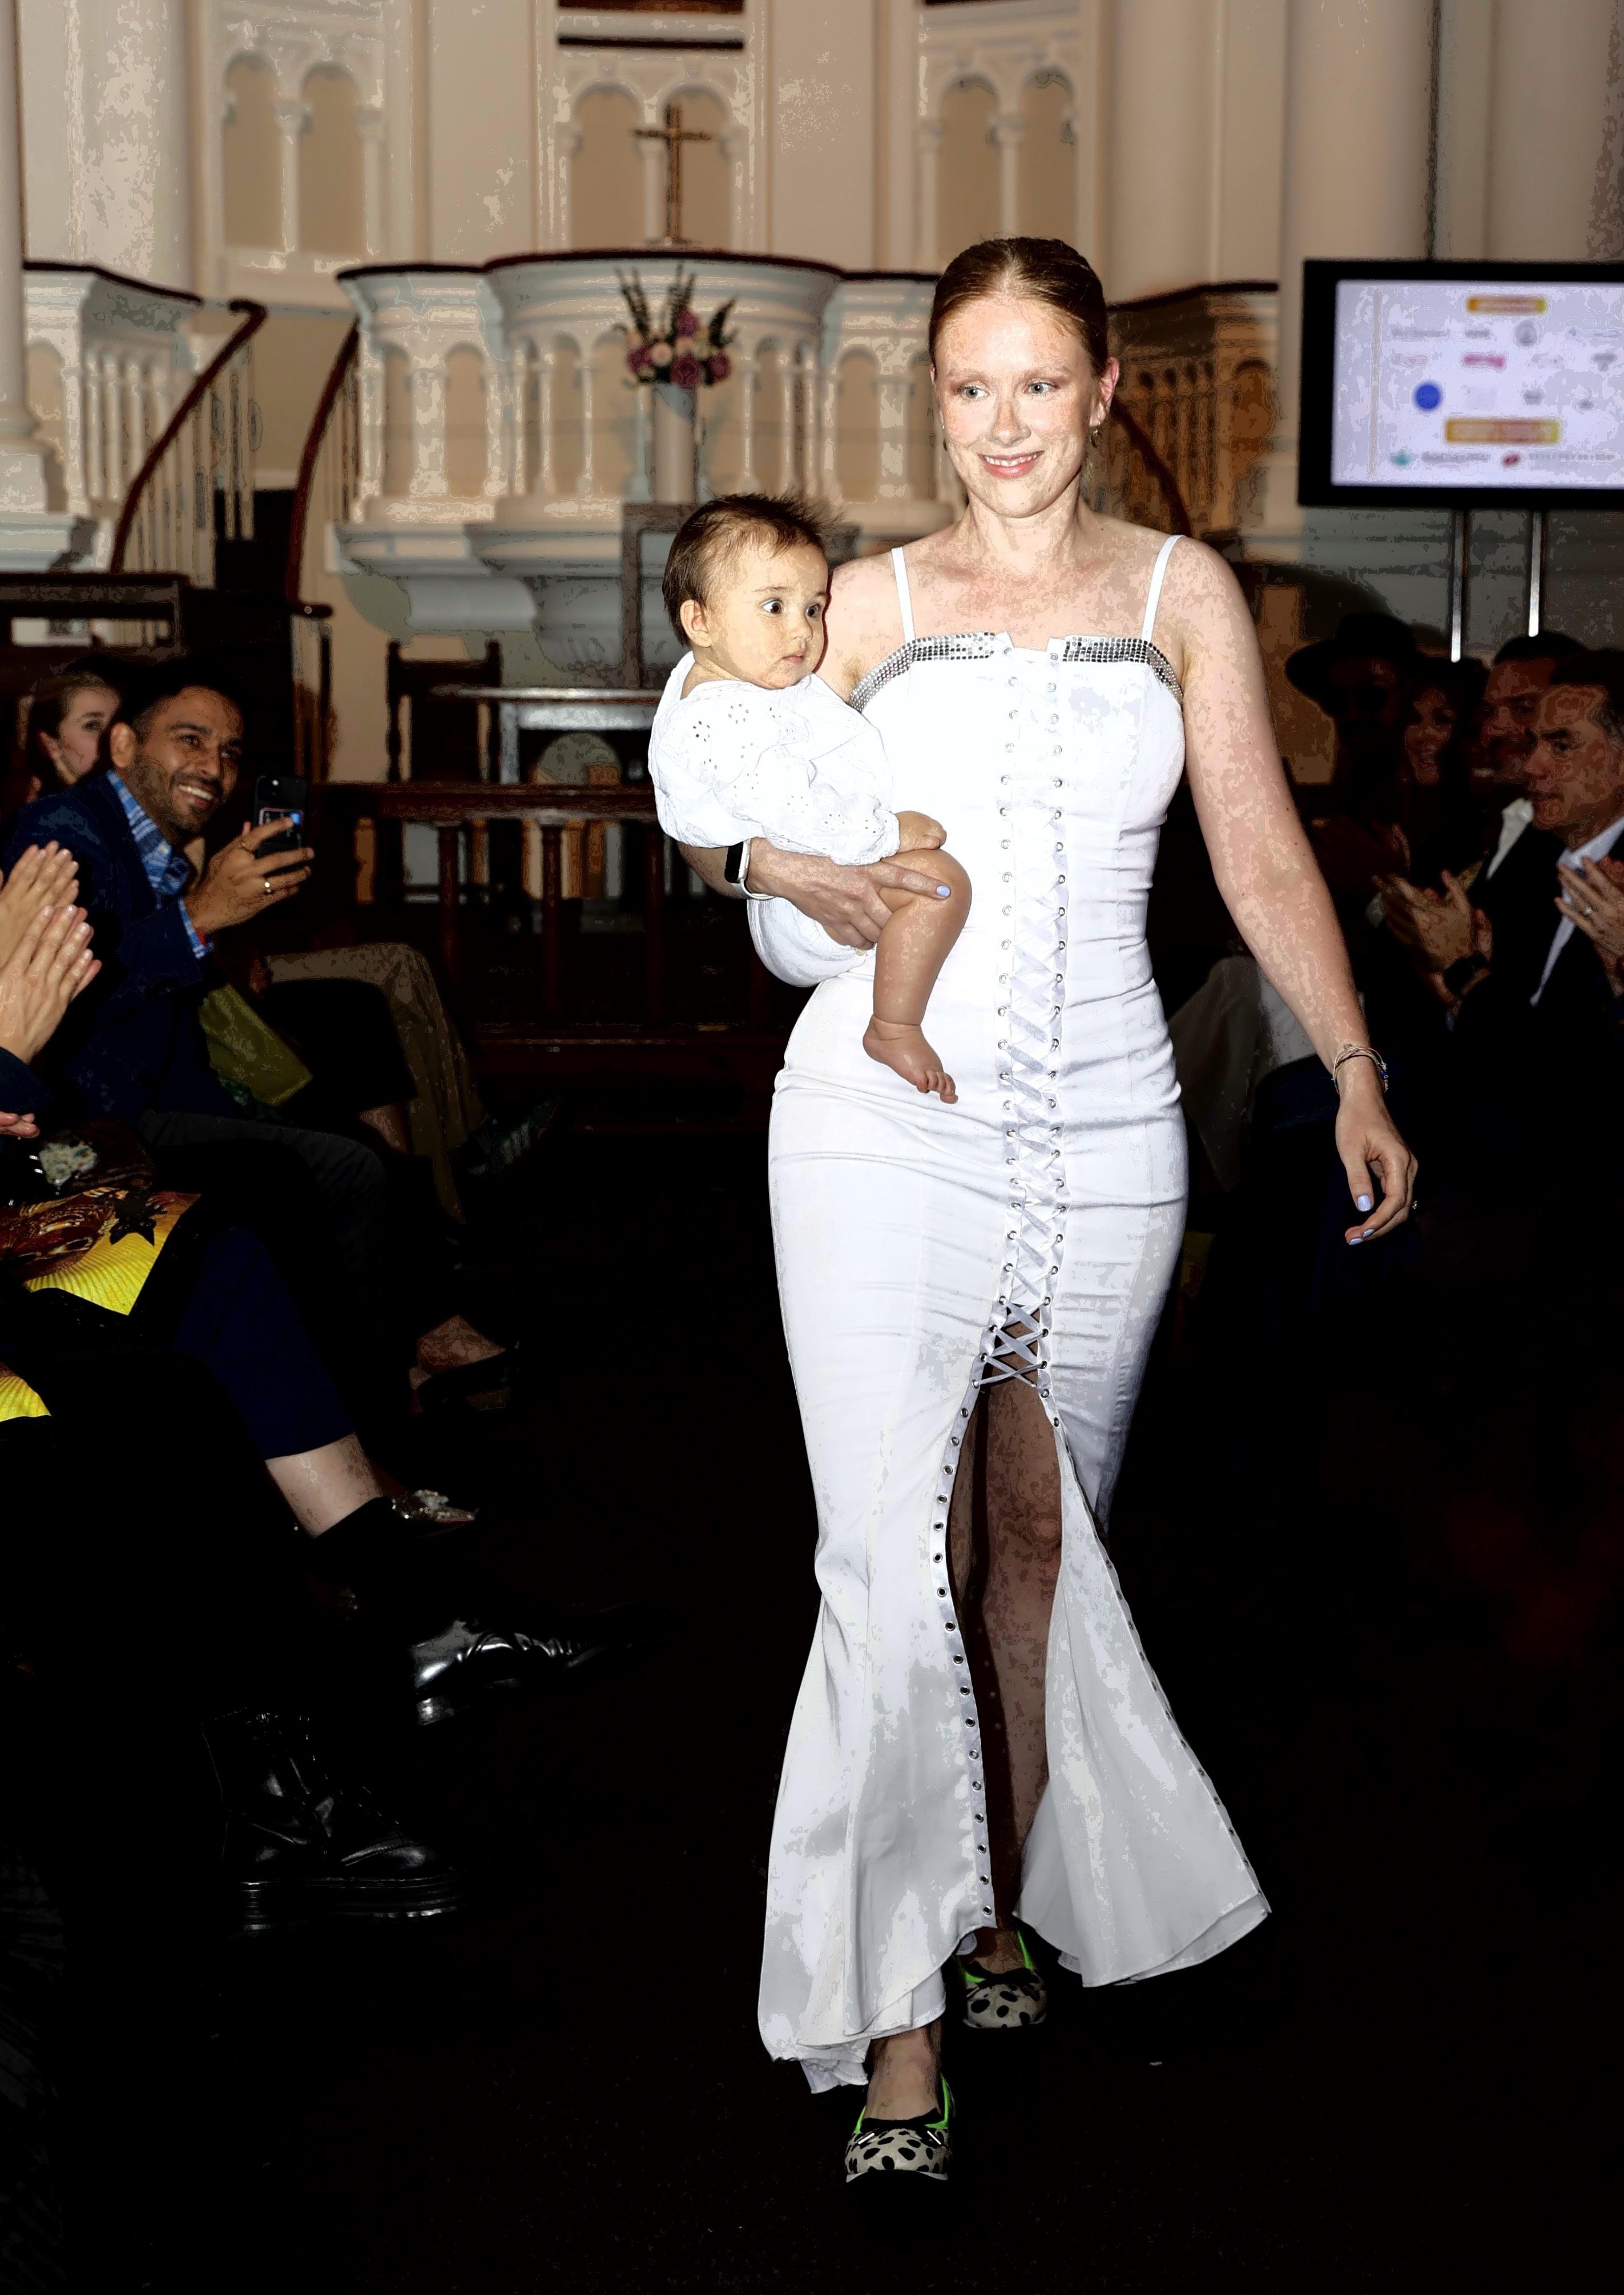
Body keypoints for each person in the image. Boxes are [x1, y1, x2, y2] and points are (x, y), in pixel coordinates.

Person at [680, 236, 1416, 2184]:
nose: (998, 424)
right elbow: (709, 773)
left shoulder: (1182, 593)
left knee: (1034, 1546)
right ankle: (897, 2021)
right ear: (931, 400)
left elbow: (1255, 845)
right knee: (886, 1557)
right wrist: (771, 867)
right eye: (963, 386)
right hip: (872, 1116)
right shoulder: (853, 602)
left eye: (1033, 384)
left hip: (1105, 1126)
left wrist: (1350, 1059)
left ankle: (995, 1898)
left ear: (1100, 394)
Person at [649, 492, 970, 1101]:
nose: (801, 629)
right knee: (938, 884)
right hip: (800, 907)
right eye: (773, 606)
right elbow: (796, 813)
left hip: (809, 879)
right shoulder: (718, 718)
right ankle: (893, 1027)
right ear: (701, 622)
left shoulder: (735, 679)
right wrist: (888, 834)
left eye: (813, 608)